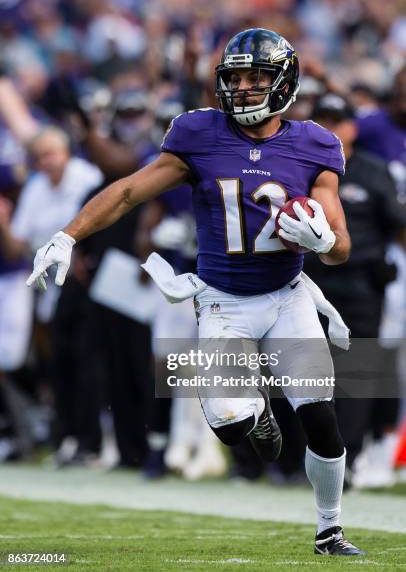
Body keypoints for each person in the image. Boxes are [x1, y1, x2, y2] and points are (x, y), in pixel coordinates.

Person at [27, 28, 363, 556]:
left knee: (319, 412)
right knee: (231, 427)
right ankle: (258, 415)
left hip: (287, 294)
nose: (245, 89)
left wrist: (324, 241)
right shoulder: (198, 134)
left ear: (284, 83)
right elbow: (129, 191)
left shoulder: (314, 143)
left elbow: (340, 247)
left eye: (257, 78)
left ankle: (330, 530)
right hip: (222, 301)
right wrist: (68, 234)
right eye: (236, 79)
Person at [305, 93, 406, 486]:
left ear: (352, 126)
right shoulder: (301, 166)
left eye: (338, 119)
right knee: (309, 375)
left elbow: (397, 220)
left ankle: (348, 459)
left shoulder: (374, 170)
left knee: (358, 374)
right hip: (313, 283)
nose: (332, 127)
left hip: (362, 283)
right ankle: (313, 457)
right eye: (323, 119)